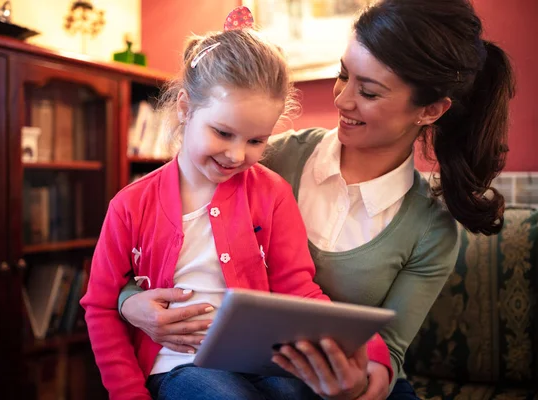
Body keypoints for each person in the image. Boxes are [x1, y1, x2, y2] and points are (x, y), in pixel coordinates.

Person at [117, 0, 515, 399]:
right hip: (228, 370)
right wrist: (129, 303)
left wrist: (355, 386)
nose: (341, 100)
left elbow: (387, 354)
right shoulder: (261, 157)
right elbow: (155, 245)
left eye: (369, 91)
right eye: (344, 74)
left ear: (430, 110)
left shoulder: (431, 230)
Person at [80, 7, 392, 400]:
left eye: (256, 141)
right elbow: (101, 307)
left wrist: (370, 348)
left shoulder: (272, 193)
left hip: (260, 362)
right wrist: (129, 395)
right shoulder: (130, 204)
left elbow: (298, 290)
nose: (235, 154)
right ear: (184, 108)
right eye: (223, 132)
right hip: (179, 366)